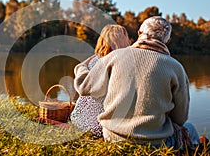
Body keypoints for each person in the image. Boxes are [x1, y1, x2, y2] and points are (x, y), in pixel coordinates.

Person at [73, 16, 200, 149]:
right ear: (167, 41)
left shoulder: (114, 57)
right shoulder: (176, 68)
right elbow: (180, 119)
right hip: (155, 143)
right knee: (189, 128)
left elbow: (84, 87)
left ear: (139, 33)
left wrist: (81, 67)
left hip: (113, 138)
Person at [70, 24, 130, 138]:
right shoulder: (120, 65)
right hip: (98, 126)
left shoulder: (95, 61)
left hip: (78, 119)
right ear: (122, 41)